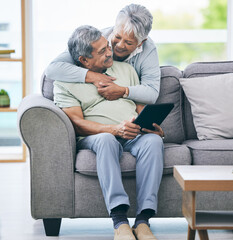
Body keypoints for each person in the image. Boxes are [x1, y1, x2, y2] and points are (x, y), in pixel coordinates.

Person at [53, 25, 163, 240]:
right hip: (96, 137)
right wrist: (113, 129)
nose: (110, 52)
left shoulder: (126, 70)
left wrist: (151, 126)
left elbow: (141, 109)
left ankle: (143, 221)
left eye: (107, 46)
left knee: (152, 142)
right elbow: (76, 123)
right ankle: (120, 222)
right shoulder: (64, 82)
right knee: (106, 140)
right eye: (102, 51)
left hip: (132, 135)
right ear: (84, 60)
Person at [46, 3, 160, 105]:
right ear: (115, 27)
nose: (119, 45)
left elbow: (152, 93)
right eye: (117, 37)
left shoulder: (148, 49)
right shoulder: (97, 39)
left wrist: (123, 91)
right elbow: (52, 69)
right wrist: (94, 76)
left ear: (141, 43)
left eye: (128, 42)